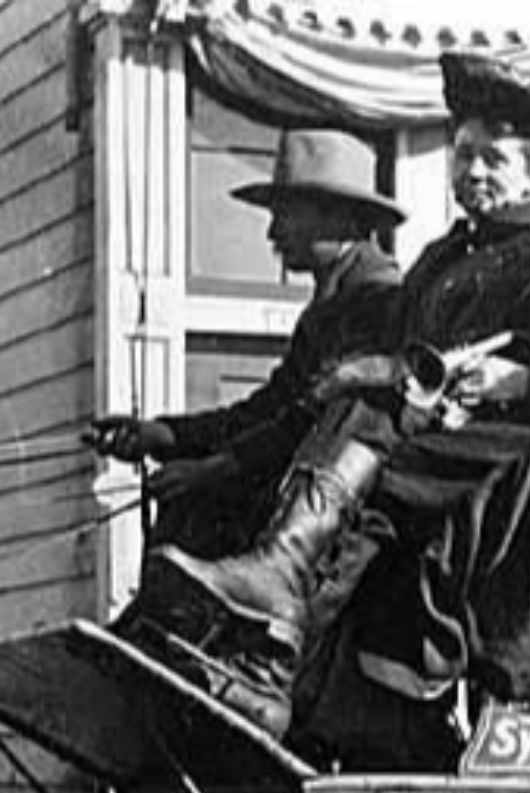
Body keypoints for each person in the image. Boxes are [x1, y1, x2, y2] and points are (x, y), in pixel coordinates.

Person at [142, 26, 530, 742]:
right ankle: (278, 637)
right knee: (388, 442)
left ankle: (283, 632)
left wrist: (525, 378)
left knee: (390, 449)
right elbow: (522, 336)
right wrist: (465, 378)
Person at [149, 52, 530, 649]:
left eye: (494, 160)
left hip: (463, 451)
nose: (474, 172)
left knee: (364, 408)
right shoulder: (441, 257)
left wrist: (378, 373)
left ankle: (282, 585)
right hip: (395, 433)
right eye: (464, 155)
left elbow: (497, 377)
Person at [88, 129, 405, 561]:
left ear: (339, 217)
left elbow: (309, 424)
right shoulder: (332, 301)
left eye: (287, 214)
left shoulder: (375, 301)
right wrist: (165, 434)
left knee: (195, 507)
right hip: (301, 492)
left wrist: (211, 470)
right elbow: (268, 409)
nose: (272, 232)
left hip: (339, 517)